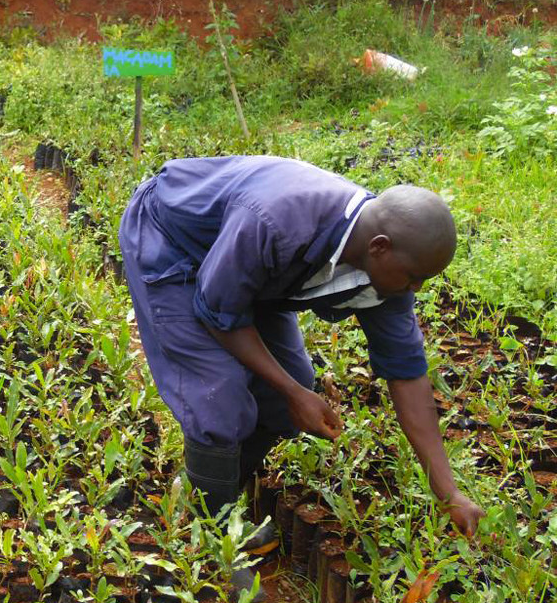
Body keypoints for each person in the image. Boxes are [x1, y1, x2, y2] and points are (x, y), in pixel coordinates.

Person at [118, 156, 484, 601]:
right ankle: (213, 546)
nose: (416, 291)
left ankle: (206, 494)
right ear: (380, 247)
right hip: (173, 242)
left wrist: (447, 490)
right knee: (218, 397)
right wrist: (295, 394)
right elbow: (218, 311)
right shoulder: (277, 220)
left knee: (283, 396)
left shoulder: (387, 278)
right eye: (414, 278)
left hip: (249, 270)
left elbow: (407, 374)